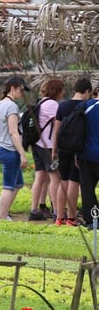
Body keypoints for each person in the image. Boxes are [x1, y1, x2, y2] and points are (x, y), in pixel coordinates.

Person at [52, 78, 92, 226]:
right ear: (87, 91)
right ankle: (71, 218)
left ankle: (59, 217)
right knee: (74, 183)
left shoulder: (62, 106)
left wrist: (54, 150)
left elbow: (57, 130)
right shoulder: (86, 106)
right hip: (78, 149)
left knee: (63, 182)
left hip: (63, 148)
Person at [0, 76, 30, 221]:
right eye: (20, 90)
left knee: (18, 183)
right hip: (9, 150)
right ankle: (1, 217)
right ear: (13, 88)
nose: (22, 93)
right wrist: (22, 154)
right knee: (8, 186)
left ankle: (4, 214)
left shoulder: (0, 104)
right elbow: (14, 132)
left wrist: (2, 138)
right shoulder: (12, 107)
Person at [28, 79, 62, 221]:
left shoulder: (40, 102)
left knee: (40, 177)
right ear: (56, 91)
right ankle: (57, 212)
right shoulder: (52, 104)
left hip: (37, 144)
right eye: (61, 90)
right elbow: (57, 127)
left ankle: (34, 210)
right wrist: (55, 148)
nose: (63, 93)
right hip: (48, 145)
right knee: (55, 178)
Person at [70, 79, 97, 229]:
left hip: (85, 154)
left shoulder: (85, 107)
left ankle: (92, 220)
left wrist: (76, 154)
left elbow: (77, 131)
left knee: (87, 189)